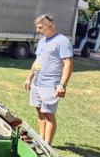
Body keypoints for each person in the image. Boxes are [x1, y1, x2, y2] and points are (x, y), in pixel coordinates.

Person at [23, 14, 73, 145]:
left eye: (40, 27)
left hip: (50, 85)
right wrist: (29, 78)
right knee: (40, 113)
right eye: (37, 27)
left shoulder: (62, 41)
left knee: (49, 115)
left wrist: (62, 84)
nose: (38, 30)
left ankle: (47, 145)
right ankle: (41, 140)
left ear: (50, 26)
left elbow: (68, 64)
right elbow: (37, 61)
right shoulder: (42, 41)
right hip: (37, 83)